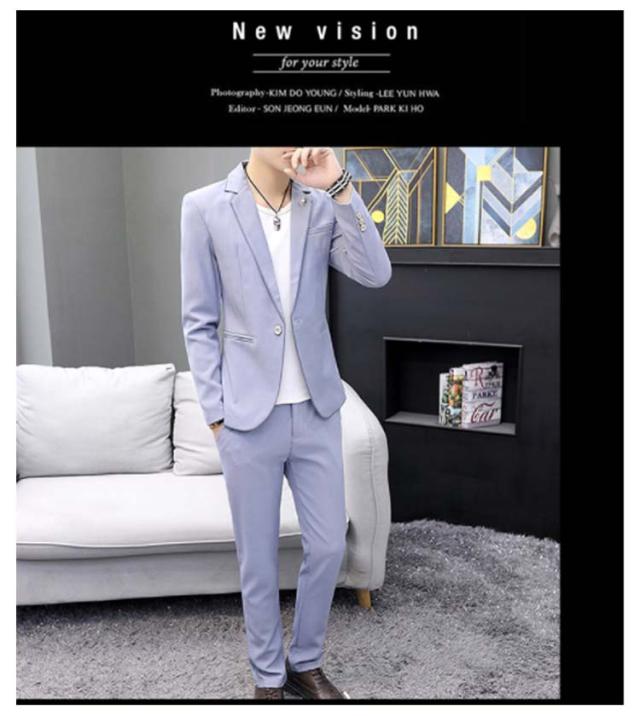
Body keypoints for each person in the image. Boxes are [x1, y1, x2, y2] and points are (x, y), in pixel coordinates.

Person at [180, 147, 391, 700]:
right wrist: (217, 413)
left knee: (328, 545)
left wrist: (339, 185)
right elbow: (198, 320)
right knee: (257, 557)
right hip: (247, 417)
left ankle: (306, 661)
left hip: (316, 409)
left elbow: (376, 272)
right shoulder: (203, 207)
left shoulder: (320, 205)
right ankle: (268, 678)